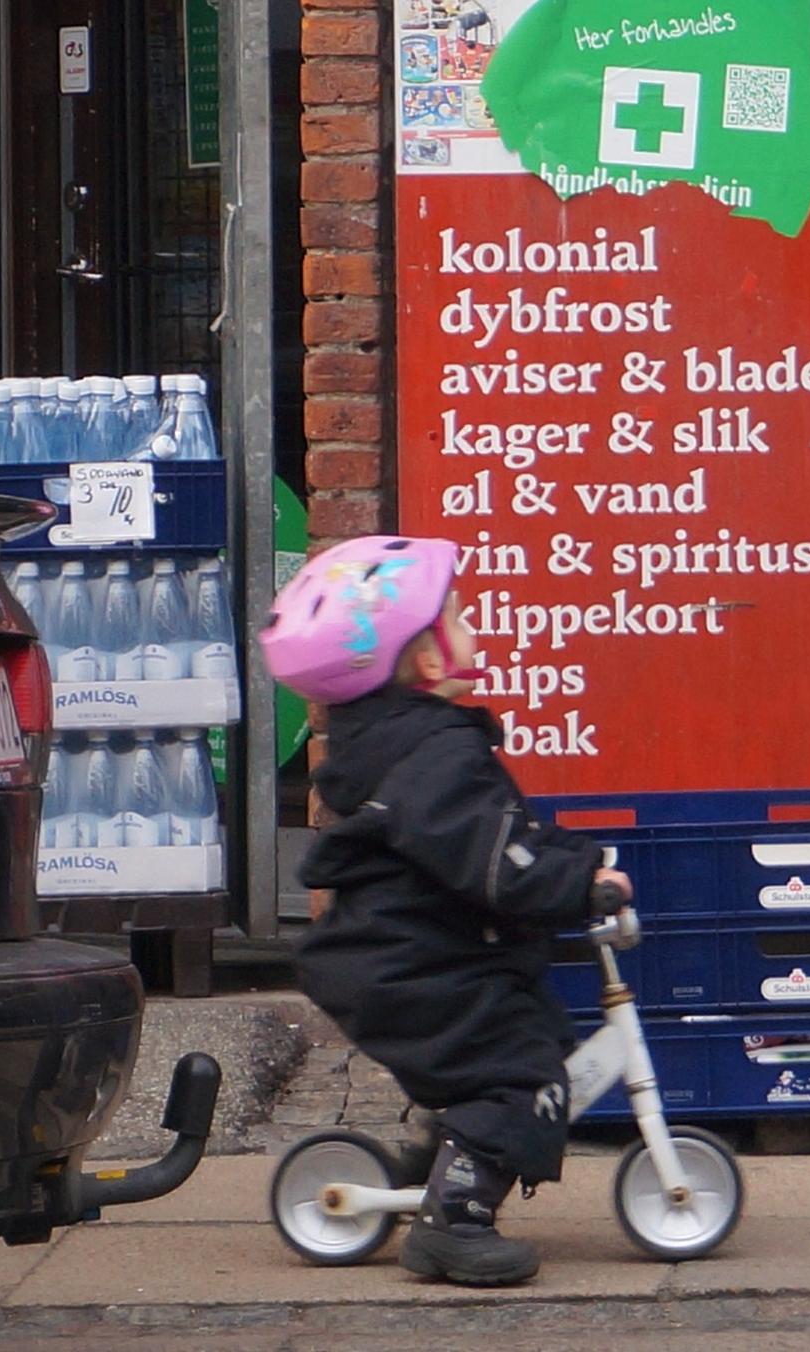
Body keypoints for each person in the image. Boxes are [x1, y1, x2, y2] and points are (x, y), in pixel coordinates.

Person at [257, 537, 625, 1287]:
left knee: (536, 1036)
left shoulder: (404, 749)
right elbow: (493, 860)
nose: (473, 631)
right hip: (414, 968)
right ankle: (452, 1222)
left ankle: (441, 1151)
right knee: (520, 1077)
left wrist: (574, 859)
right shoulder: (435, 757)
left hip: (406, 957)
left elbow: (498, 835)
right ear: (423, 660)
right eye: (456, 618)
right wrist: (580, 886)